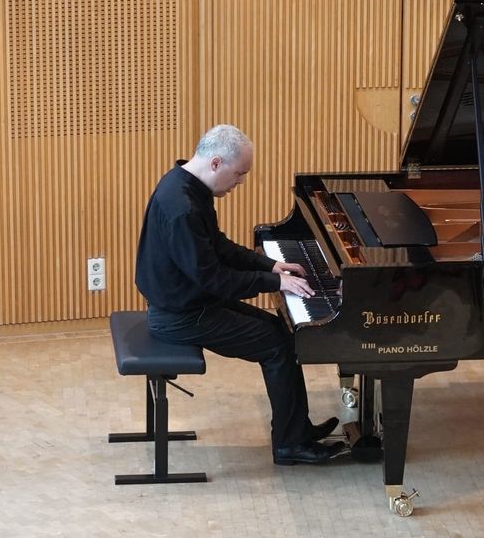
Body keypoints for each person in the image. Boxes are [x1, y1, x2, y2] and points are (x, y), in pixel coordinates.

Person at [135, 124, 346, 465]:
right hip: (180, 316)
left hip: (189, 301)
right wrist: (273, 283)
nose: (240, 183)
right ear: (216, 163)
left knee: (283, 333)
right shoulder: (183, 208)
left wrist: (269, 265)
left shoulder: (185, 185)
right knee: (277, 345)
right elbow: (213, 279)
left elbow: (217, 246)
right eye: (239, 174)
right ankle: (290, 446)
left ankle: (297, 432)